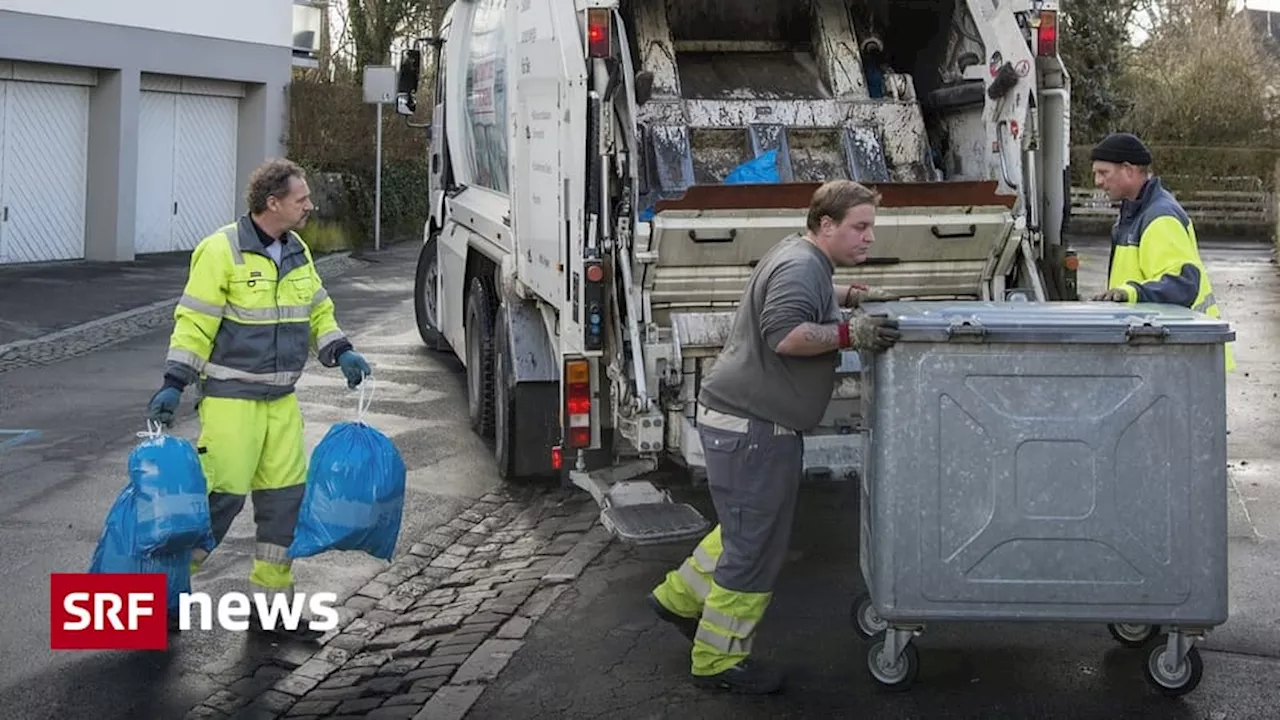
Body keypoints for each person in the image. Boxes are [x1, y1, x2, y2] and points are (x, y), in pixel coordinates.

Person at [646, 180, 901, 694]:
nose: (869, 238)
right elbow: (785, 335)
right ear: (827, 225)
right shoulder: (801, 265)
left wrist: (843, 296)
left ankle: (677, 598)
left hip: (746, 424)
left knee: (744, 527)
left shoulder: (803, 258)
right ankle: (718, 661)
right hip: (754, 429)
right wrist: (851, 332)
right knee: (755, 547)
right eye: (860, 227)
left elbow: (796, 297)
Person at [146, 158, 372, 641]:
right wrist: (174, 381)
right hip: (231, 400)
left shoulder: (297, 252)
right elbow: (195, 322)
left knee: (284, 503)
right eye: (301, 199)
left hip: (280, 403)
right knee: (218, 500)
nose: (310, 205)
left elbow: (318, 310)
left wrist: (341, 349)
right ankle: (163, 594)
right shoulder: (220, 251)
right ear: (273, 203)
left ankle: (272, 609)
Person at [1089, 132, 1234, 370]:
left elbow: (1182, 283)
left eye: (1103, 173)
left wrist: (1129, 293)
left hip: (1186, 358)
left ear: (1128, 169)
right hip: (1172, 353)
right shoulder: (1135, 214)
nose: (1097, 181)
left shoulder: (1159, 218)